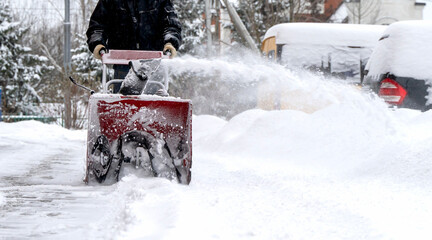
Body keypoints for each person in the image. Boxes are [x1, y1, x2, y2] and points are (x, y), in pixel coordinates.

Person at [86, 0, 182, 92]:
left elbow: (171, 24)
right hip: (122, 62)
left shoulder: (160, 1)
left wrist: (170, 42)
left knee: (154, 101)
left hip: (153, 65)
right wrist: (98, 43)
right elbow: (97, 26)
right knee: (121, 100)